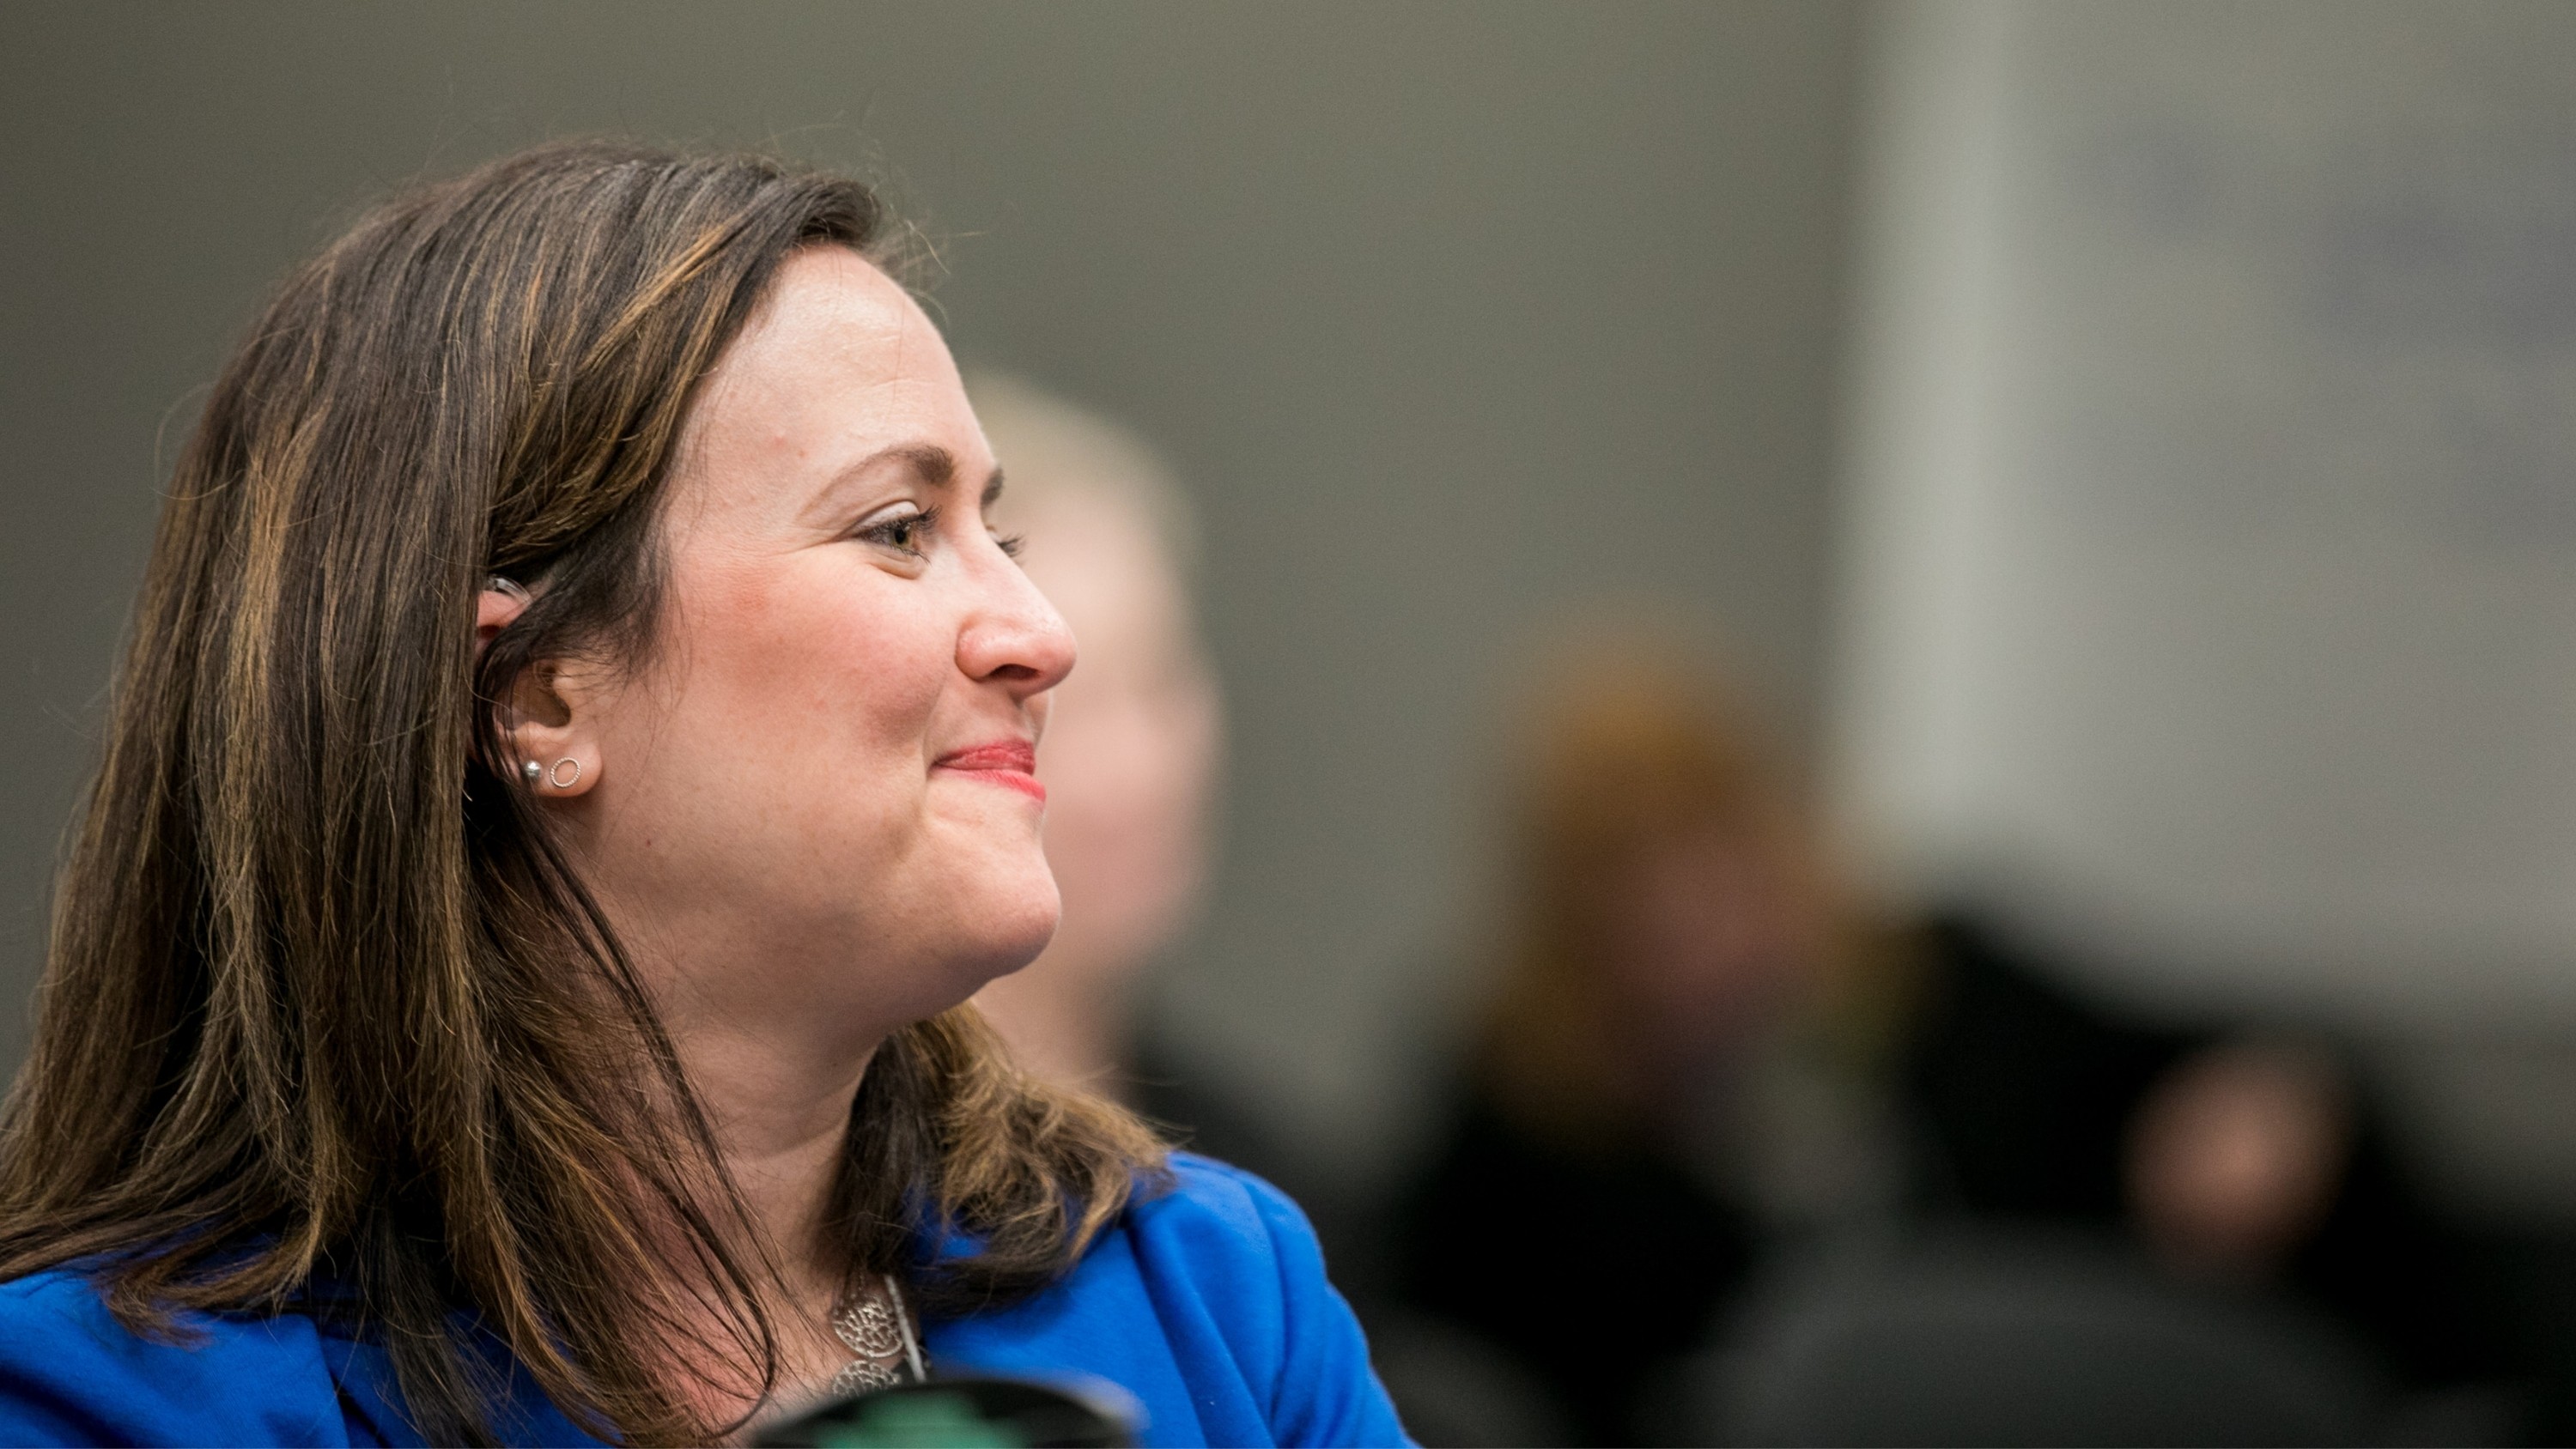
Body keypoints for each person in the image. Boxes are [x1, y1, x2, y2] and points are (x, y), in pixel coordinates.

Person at [0, 142, 1405, 1448]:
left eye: (1005, 529)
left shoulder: (1207, 1294)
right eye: (901, 529)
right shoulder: (104, 1401)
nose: (1041, 633)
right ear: (539, 694)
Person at [1388, 636, 1898, 1446]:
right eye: (1624, 873)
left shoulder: (1924, 999)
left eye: (1709, 853)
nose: (1678, 907)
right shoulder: (1508, 1103)